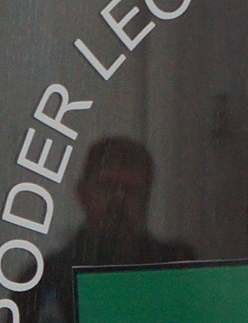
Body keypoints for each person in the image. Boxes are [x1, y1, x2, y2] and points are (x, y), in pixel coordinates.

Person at [34, 137, 195, 323]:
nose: (118, 200)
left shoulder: (178, 270)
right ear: (82, 192)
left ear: (146, 197)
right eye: (107, 187)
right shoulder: (44, 279)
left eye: (131, 190)